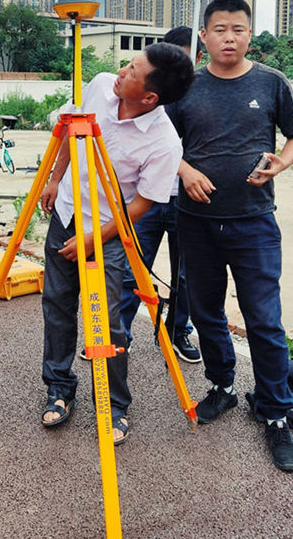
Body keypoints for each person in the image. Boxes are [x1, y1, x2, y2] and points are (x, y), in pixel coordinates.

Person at [171, 0, 293, 472]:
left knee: (265, 321)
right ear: (204, 36)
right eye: (220, 29)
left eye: (238, 29)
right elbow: (162, 143)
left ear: (250, 34)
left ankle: (274, 413)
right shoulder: (185, 85)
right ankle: (222, 386)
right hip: (196, 222)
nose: (229, 37)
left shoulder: (270, 83)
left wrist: (281, 162)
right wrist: (185, 169)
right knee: (206, 312)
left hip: (254, 223)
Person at [40, 43, 194, 445]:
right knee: (57, 305)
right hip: (65, 217)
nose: (122, 71)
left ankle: (115, 406)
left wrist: (92, 238)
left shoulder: (163, 142)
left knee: (107, 324)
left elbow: (142, 204)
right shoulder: (100, 86)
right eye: (129, 63)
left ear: (150, 96)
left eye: (132, 69)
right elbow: (69, 132)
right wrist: (56, 179)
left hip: (106, 234)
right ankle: (58, 388)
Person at [118, 26, 203, 363]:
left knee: (185, 274)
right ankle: (117, 333)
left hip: (188, 202)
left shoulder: (203, 92)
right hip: (150, 198)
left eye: (185, 57)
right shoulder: (148, 93)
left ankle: (176, 330)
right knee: (131, 269)